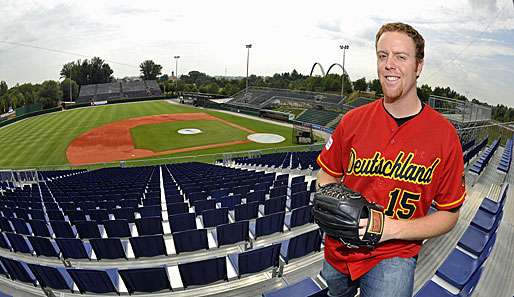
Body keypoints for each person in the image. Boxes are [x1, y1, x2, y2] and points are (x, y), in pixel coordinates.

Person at [316, 22, 466, 297]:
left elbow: (449, 214)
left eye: (400, 56)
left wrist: (390, 228)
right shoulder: (352, 121)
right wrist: (333, 201)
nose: (389, 64)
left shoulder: (445, 136)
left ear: (418, 66)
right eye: (383, 55)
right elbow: (326, 175)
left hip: (395, 253)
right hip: (339, 248)